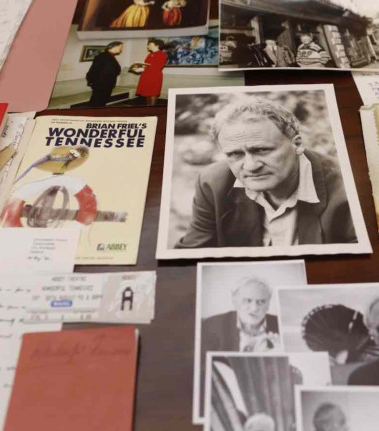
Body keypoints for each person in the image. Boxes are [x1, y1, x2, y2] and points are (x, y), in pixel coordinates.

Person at [175, 98, 357, 248]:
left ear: (297, 144)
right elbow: (190, 255)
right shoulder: (213, 183)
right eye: (235, 154)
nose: (251, 166)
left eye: (262, 150)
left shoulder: (347, 187)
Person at [201, 277, 280, 353]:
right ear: (235, 301)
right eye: (248, 301)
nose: (254, 308)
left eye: (261, 302)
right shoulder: (211, 326)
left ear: (268, 304)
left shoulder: (281, 326)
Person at [85, 41, 123, 107]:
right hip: (101, 84)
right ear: (114, 47)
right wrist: (92, 82)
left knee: (102, 102)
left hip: (106, 84)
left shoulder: (110, 56)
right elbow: (93, 70)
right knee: (96, 103)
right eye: (121, 47)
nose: (121, 49)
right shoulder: (102, 56)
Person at [132, 39, 167, 106]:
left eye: (150, 44)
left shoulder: (162, 54)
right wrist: (138, 67)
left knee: (153, 93)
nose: (148, 46)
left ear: (157, 45)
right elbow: (146, 65)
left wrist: (143, 69)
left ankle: (152, 109)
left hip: (154, 76)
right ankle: (148, 106)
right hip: (146, 75)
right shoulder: (150, 54)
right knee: (146, 92)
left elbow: (157, 67)